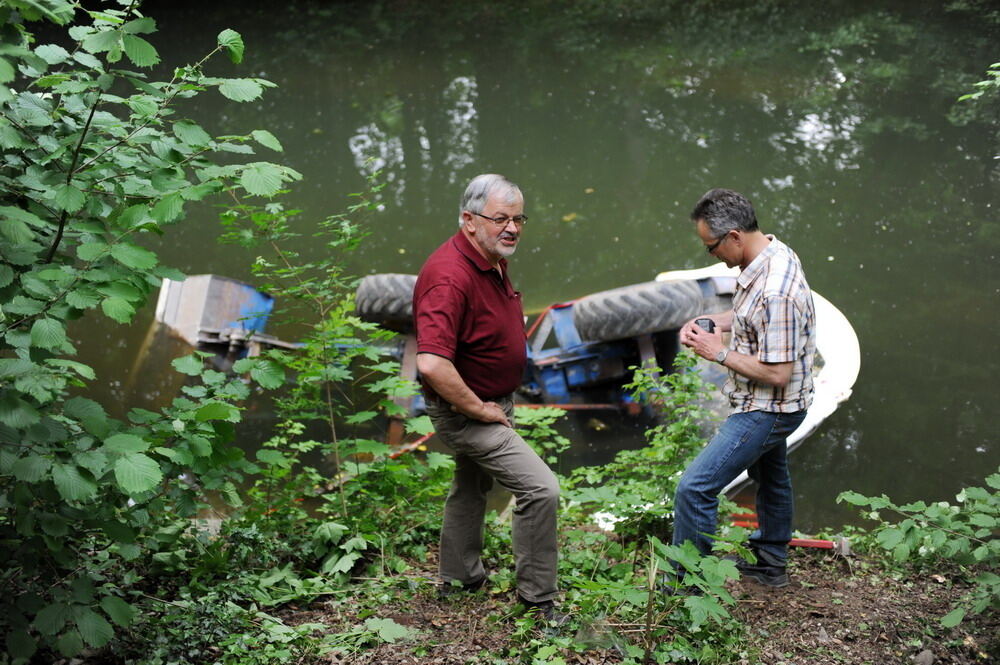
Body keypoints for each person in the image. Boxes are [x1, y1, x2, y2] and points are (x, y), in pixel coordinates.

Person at [412, 173, 562, 620]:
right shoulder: (448, 277)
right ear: (469, 220)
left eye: (518, 218)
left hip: (490, 400)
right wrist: (479, 408)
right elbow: (432, 363)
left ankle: (459, 578)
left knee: (471, 486)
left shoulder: (488, 255)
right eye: (500, 218)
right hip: (468, 412)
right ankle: (539, 601)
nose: (512, 227)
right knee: (541, 490)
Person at [672, 188, 816, 588]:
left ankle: (687, 584)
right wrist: (717, 321)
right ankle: (771, 563)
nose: (711, 254)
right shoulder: (770, 252)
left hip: (770, 407)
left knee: (695, 488)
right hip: (768, 400)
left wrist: (717, 354)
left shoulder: (776, 289)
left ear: (734, 236)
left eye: (711, 247)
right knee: (771, 477)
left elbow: (777, 374)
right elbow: (753, 316)